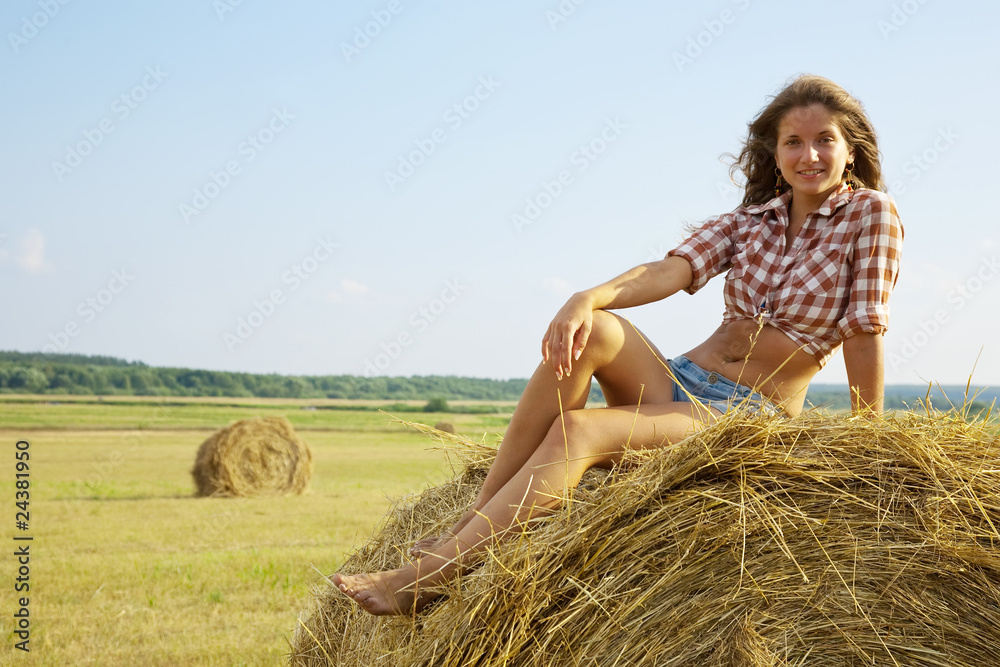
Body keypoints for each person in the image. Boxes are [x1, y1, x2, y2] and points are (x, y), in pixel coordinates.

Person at [333, 74, 904, 615]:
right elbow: (668, 270)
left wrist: (870, 441)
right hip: (682, 381)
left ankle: (425, 580)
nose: (809, 155)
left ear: (849, 149)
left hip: (746, 413)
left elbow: (864, 328)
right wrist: (587, 298)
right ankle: (473, 522)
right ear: (775, 153)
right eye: (793, 142)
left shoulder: (869, 214)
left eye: (824, 140)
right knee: (595, 330)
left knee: (580, 430)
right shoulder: (752, 219)